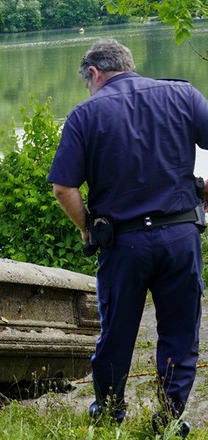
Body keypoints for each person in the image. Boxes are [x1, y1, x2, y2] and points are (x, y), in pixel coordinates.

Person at [48, 39, 208, 437]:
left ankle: (109, 414)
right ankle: (169, 421)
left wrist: (88, 229)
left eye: (88, 82)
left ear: (95, 74)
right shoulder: (183, 94)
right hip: (180, 236)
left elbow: (64, 188)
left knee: (116, 334)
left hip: (124, 244)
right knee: (180, 334)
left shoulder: (86, 114)